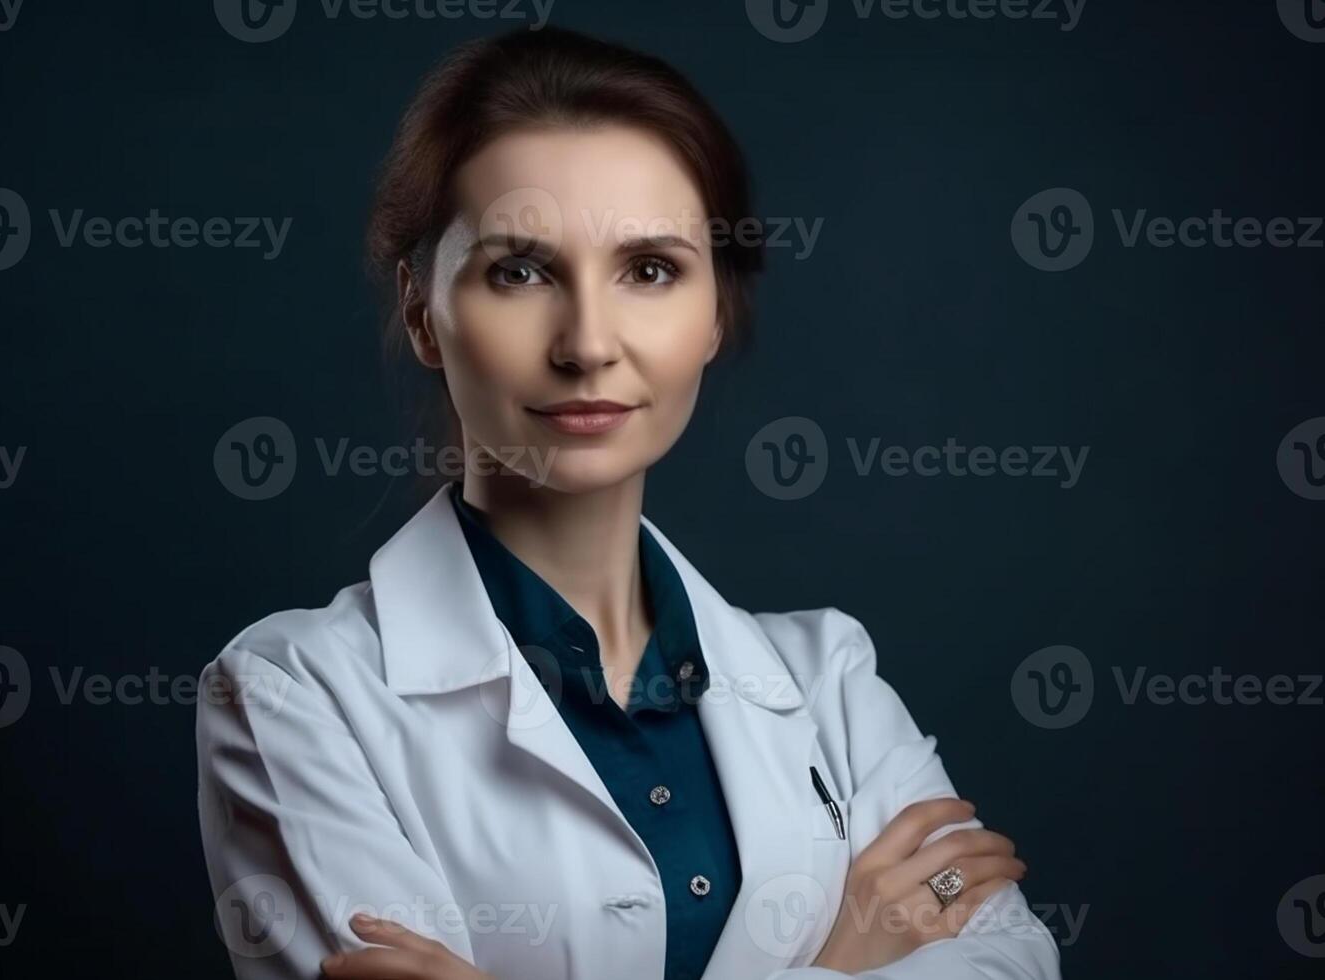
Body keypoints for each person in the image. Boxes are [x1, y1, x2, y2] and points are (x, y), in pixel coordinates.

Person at [196, 26, 1061, 980]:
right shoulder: (295, 696)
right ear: (420, 312)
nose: (588, 344)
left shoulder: (826, 682)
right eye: (518, 271)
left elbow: (1013, 964)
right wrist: (842, 958)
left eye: (650, 269)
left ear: (716, 310)